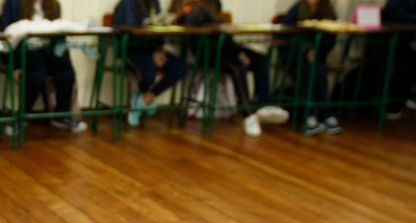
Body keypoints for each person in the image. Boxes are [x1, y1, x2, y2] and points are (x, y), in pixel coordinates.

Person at [172, 0, 289, 135]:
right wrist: (236, 52)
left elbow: (224, 33)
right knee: (237, 67)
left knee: (260, 59)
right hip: (208, 53)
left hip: (227, 48)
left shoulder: (215, 4)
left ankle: (265, 105)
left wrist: (237, 51)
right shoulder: (192, 9)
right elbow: (198, 30)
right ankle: (249, 115)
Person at [0, 0, 88, 132]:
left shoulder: (54, 4)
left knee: (67, 74)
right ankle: (22, 117)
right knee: (36, 75)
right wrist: (14, 66)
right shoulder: (13, 3)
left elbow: (59, 32)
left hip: (50, 48)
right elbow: (7, 36)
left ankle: (61, 115)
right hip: (27, 50)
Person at [112, 0, 189, 127]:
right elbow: (131, 35)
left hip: (153, 51)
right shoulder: (128, 4)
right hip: (132, 51)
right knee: (149, 73)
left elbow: (159, 29)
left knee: (180, 67)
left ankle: (145, 98)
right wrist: (152, 53)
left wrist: (159, 50)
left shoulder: (154, 3)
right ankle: (139, 100)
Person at [282, 0, 342, 134]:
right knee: (308, 70)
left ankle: (325, 114)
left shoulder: (328, 11)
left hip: (317, 57)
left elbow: (330, 39)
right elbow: (285, 34)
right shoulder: (297, 9)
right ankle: (309, 115)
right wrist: (306, 49)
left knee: (319, 70)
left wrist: (317, 49)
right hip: (295, 56)